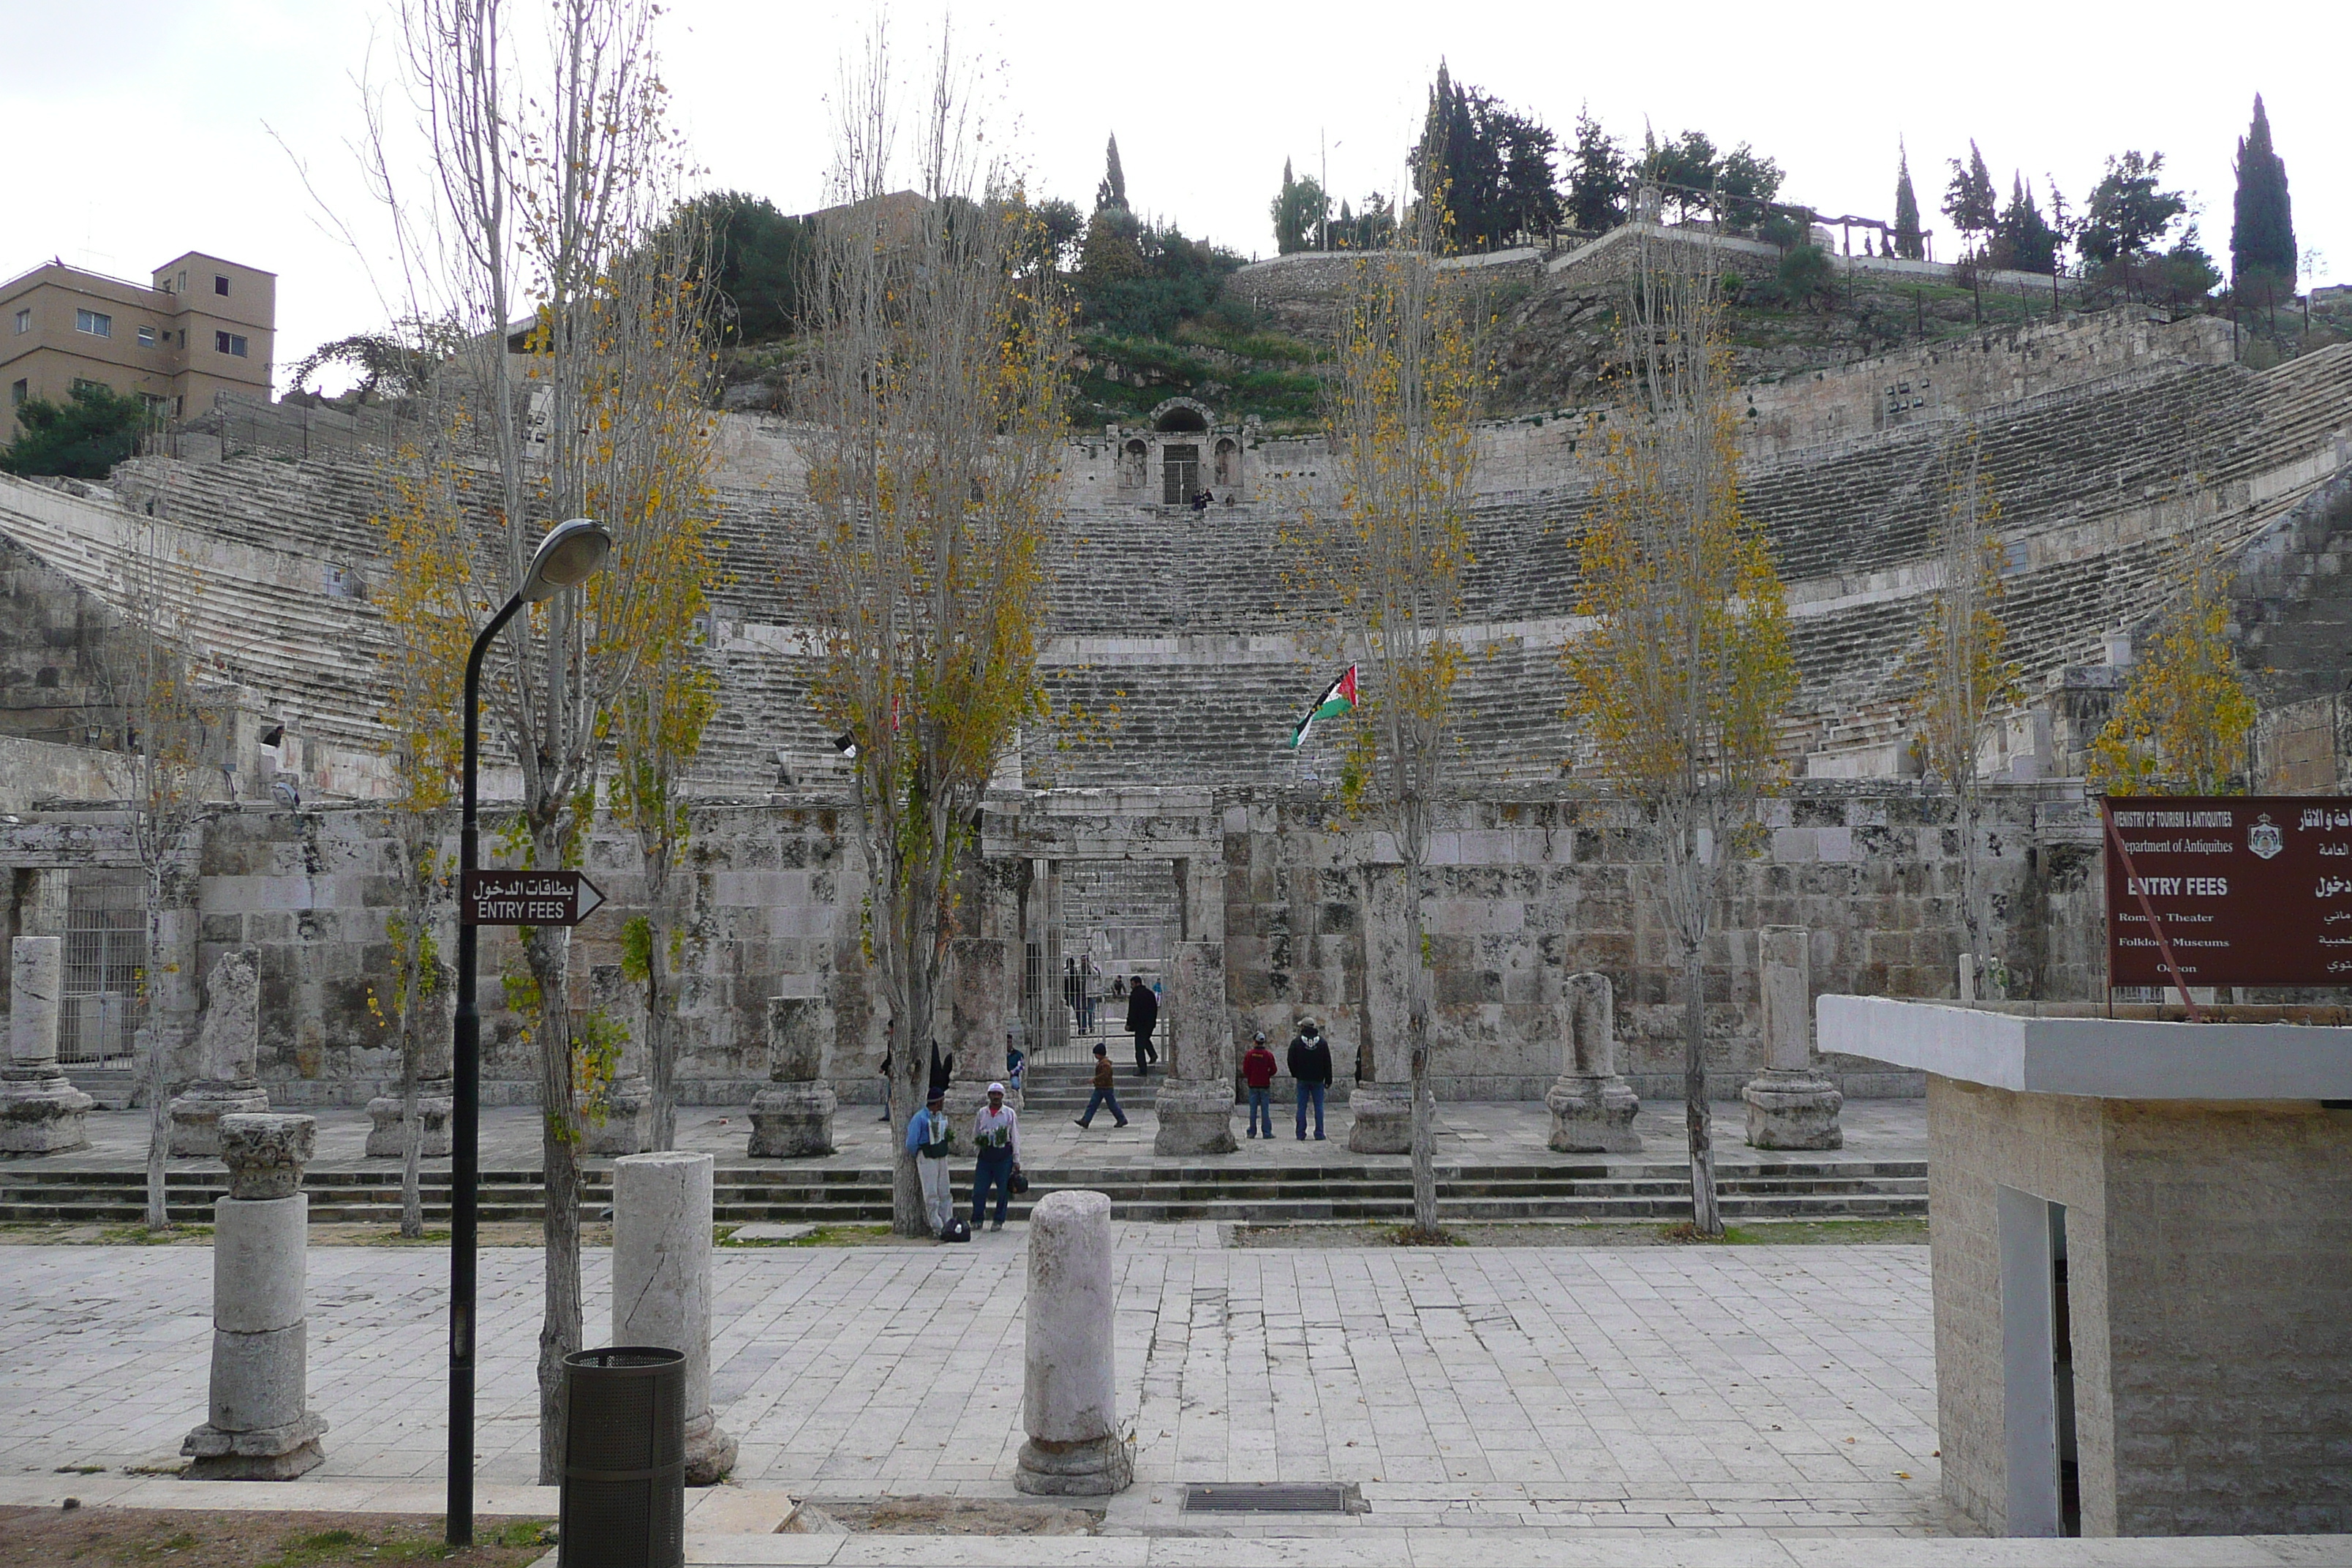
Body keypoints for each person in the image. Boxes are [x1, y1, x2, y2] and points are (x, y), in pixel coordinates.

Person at [970, 1082, 1022, 1232]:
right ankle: (977, 1218)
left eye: (999, 1095)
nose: (996, 1097)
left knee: (1002, 1191)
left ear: (1002, 1097)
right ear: (989, 1096)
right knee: (979, 1190)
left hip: (1003, 1156)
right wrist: (978, 1150)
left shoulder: (1009, 1114)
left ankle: (999, 1219)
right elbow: (976, 1133)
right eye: (993, 1094)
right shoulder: (982, 1113)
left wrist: (1016, 1159)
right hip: (986, 1156)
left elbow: (1014, 1137)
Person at [906, 1089, 954, 1235]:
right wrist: (921, 1154)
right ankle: (937, 1226)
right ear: (939, 1102)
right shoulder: (920, 1118)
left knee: (944, 1190)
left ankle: (948, 1221)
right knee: (931, 1192)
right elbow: (911, 1142)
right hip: (927, 1156)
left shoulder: (940, 1117)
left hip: (940, 1155)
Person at [1287, 1015, 1333, 1141]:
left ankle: (1301, 1133)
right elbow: (1327, 1062)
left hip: (1302, 1079)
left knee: (1301, 1107)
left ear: (1303, 1027)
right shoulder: (1322, 1043)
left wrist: (1295, 1073)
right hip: (1318, 1079)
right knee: (1319, 1106)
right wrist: (1328, 1079)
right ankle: (1319, 1132)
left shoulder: (1296, 1042)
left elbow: (1291, 1060)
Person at [1074, 1041, 1128, 1129]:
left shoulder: (1105, 1064)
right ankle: (1086, 1120)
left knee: (1111, 1105)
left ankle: (1121, 1118)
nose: (1095, 1056)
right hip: (1101, 1087)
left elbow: (1105, 1075)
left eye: (1096, 1054)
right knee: (1093, 1104)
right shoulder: (1102, 1063)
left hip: (1106, 1088)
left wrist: (1095, 1079)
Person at [1240, 1030, 1278, 1139]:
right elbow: (1274, 1070)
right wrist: (1267, 1075)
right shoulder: (1268, 1055)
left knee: (1253, 1110)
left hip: (1253, 1084)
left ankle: (1252, 1132)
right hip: (1265, 1085)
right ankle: (1266, 1132)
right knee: (1265, 1110)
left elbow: (1245, 1070)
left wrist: (1251, 1076)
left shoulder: (1250, 1054)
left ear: (1255, 1042)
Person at [1126, 973, 1158, 1074]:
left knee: (1139, 1048)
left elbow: (1132, 1011)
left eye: (1132, 984)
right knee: (1144, 1040)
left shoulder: (1135, 995)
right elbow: (1155, 1009)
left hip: (1140, 1025)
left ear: (1137, 983)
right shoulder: (1150, 993)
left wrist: (1129, 1024)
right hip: (1150, 1024)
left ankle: (1143, 1070)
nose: (1131, 986)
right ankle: (1153, 1054)